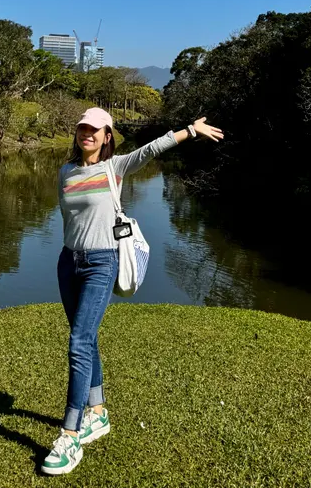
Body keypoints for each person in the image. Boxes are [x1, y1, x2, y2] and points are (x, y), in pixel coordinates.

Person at [41, 107, 224, 475]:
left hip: (101, 263)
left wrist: (189, 130)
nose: (86, 134)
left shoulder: (115, 168)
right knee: (85, 340)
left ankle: (70, 434)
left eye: (95, 130)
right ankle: (98, 412)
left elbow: (152, 149)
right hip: (68, 262)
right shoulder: (65, 172)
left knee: (78, 342)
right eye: (82, 128)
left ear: (107, 136)